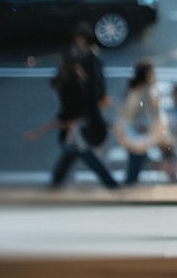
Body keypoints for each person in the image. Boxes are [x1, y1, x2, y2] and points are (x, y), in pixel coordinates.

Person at [24, 48, 119, 189]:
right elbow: (71, 112)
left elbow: (65, 114)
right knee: (78, 154)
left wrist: (39, 132)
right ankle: (111, 184)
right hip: (77, 128)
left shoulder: (68, 85)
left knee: (77, 153)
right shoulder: (78, 84)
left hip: (75, 129)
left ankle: (57, 184)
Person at [114, 58, 174, 185]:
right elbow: (133, 111)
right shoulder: (139, 91)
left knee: (141, 158)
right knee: (138, 160)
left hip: (147, 131)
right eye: (152, 72)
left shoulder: (142, 89)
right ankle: (130, 185)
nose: (154, 75)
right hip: (141, 132)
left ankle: (169, 175)